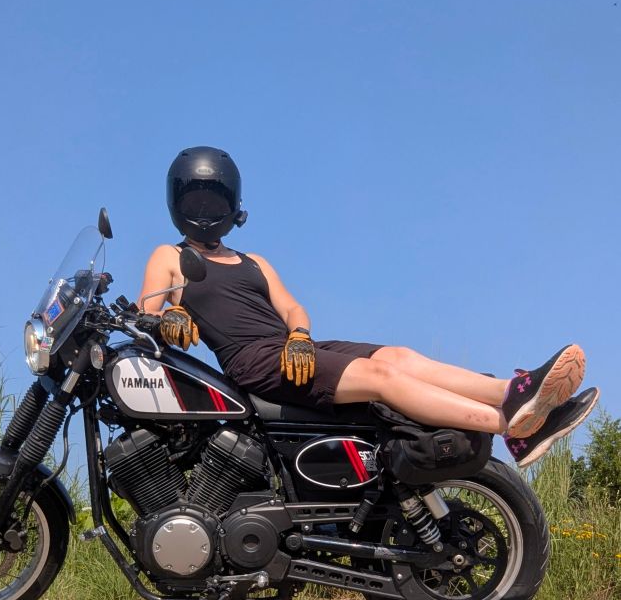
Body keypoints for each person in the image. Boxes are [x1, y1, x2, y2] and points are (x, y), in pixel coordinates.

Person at [138, 146, 599, 468]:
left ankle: (513, 391)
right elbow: (151, 308)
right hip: (252, 361)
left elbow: (293, 308)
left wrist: (298, 335)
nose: (204, 206)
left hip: (292, 350)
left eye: (213, 197)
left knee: (395, 357)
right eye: (195, 198)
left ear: (232, 204)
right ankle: (509, 427)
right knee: (382, 380)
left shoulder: (254, 261)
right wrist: (170, 317)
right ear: (178, 204)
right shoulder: (170, 256)